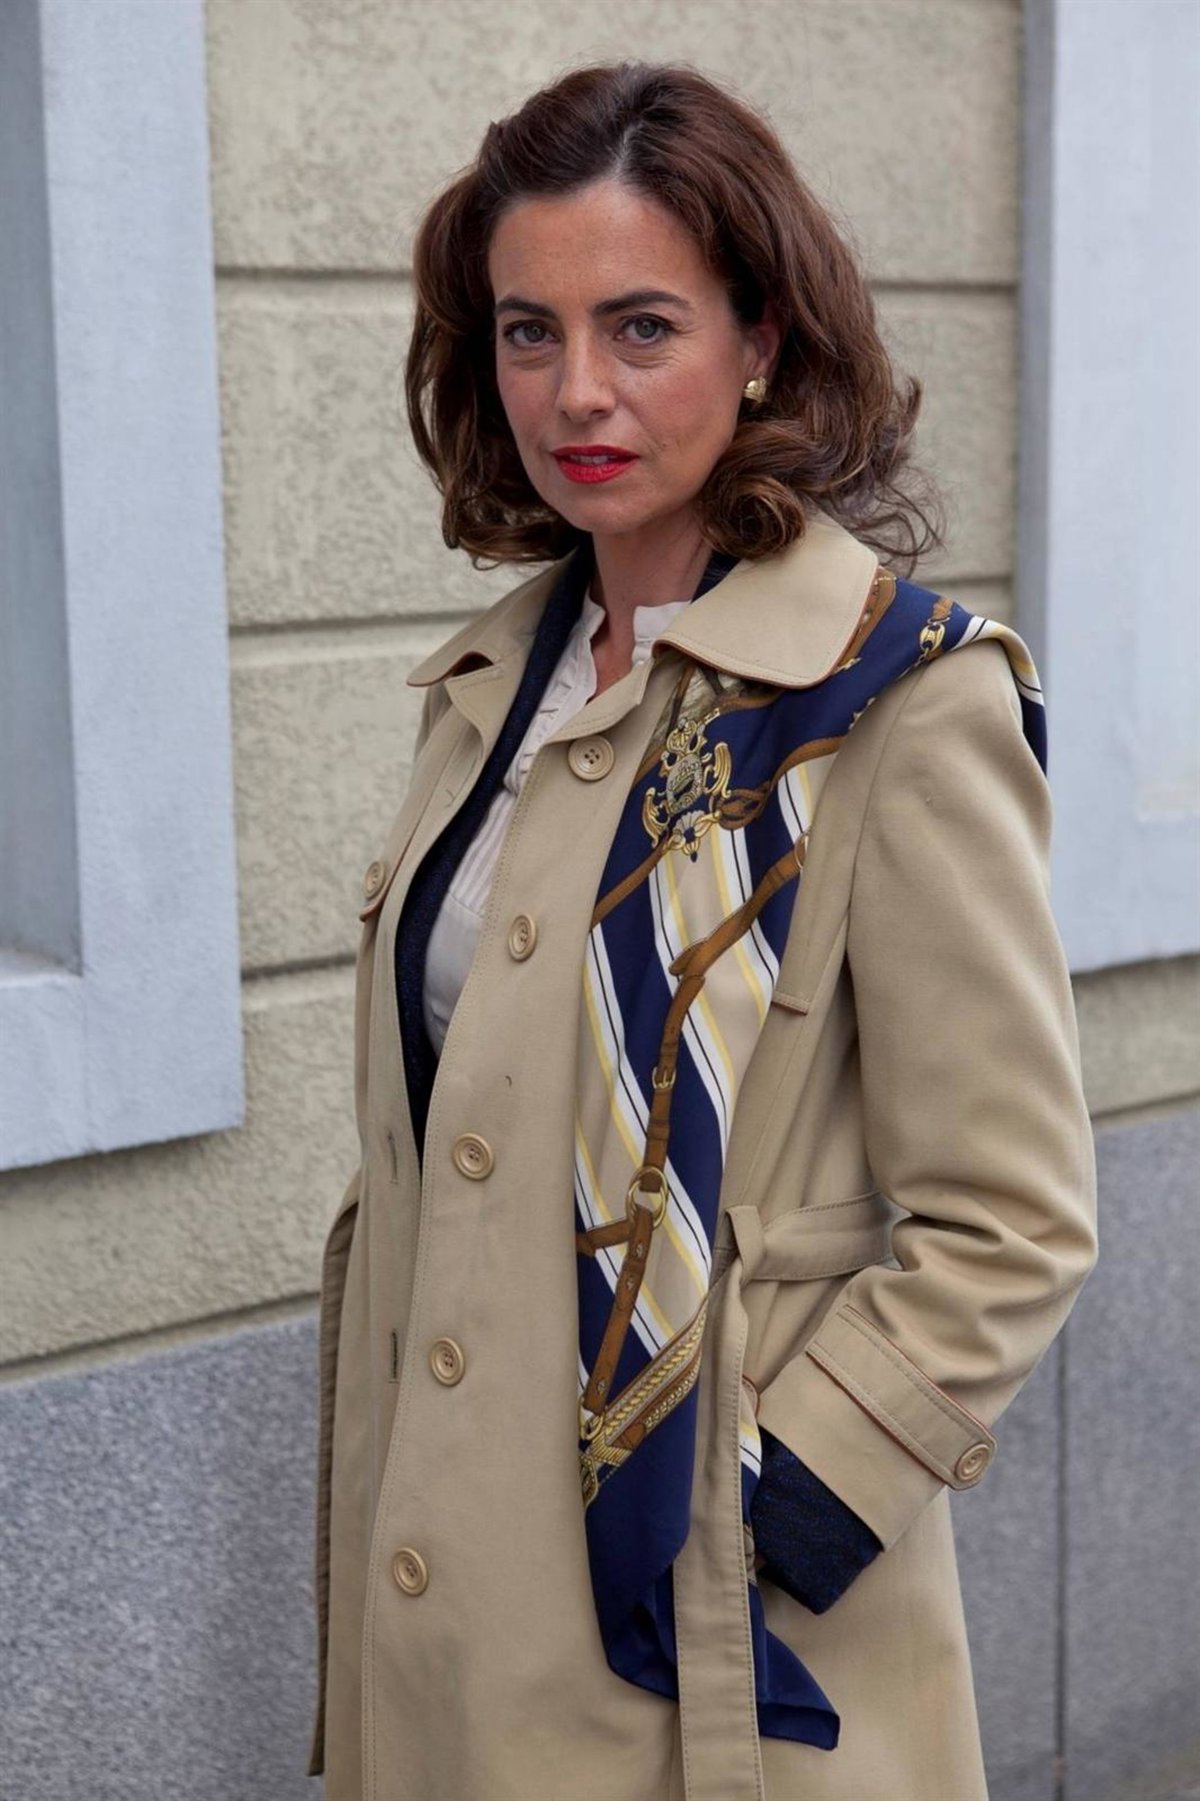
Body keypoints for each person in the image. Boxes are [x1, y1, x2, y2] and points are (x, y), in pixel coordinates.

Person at [307, 62, 1097, 1801]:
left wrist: (770, 1510)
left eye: (642, 325)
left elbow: (1014, 1217)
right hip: (442, 1613)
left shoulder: (890, 700)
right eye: (528, 331)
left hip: (705, 1657)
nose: (575, 390)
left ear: (762, 342)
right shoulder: (493, 687)